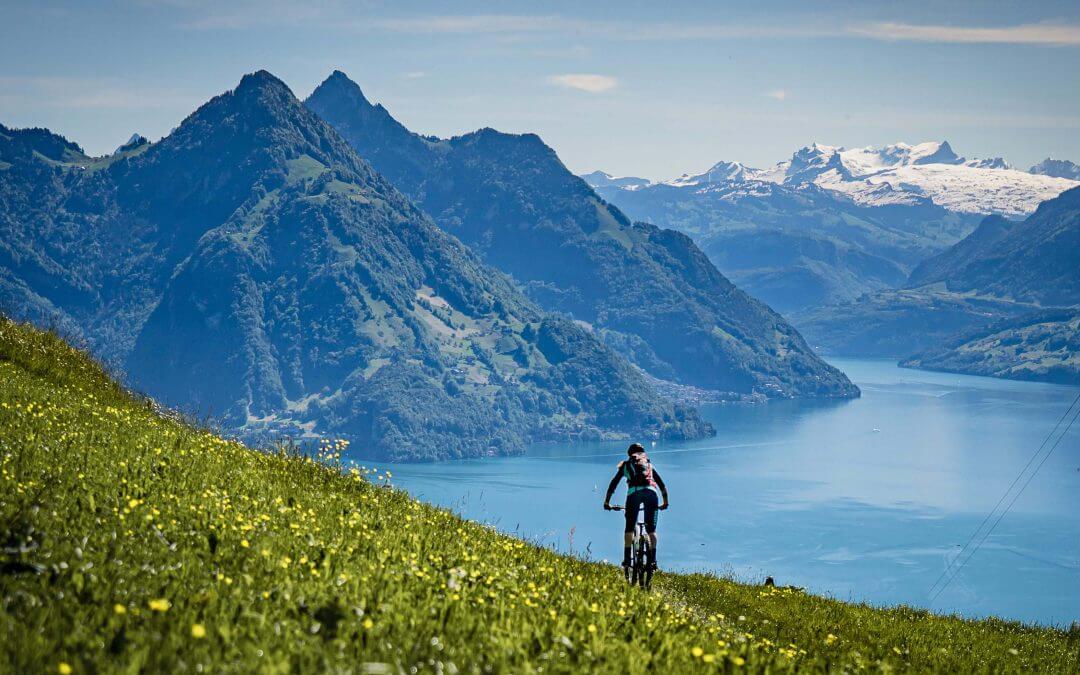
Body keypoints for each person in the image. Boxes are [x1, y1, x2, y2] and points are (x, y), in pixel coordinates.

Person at [603, 442, 668, 571]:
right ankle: (653, 561)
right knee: (651, 531)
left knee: (629, 529)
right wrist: (665, 502)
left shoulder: (626, 466)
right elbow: (661, 485)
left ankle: (627, 559)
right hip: (652, 493)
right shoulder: (649, 465)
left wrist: (607, 502)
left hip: (634, 494)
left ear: (629, 455)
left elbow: (613, 484)